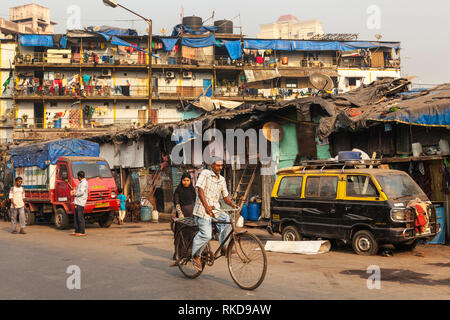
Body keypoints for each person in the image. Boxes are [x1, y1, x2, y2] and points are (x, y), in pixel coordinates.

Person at [191, 161, 238, 271]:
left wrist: (232, 204)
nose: (220, 167)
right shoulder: (205, 173)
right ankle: (195, 256)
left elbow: (225, 197)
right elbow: (200, 190)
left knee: (227, 220)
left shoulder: (221, 179)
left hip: (215, 210)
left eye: (221, 165)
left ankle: (224, 246)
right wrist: (206, 206)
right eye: (217, 165)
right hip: (202, 210)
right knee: (207, 235)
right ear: (212, 166)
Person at [171, 172, 196, 266]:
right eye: (184, 180)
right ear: (181, 181)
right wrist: (180, 214)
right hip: (182, 215)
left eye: (187, 180)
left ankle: (189, 254)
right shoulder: (178, 190)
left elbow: (195, 201)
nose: (186, 182)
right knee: (181, 234)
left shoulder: (192, 190)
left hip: (192, 214)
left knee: (191, 233)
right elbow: (177, 203)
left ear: (190, 181)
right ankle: (179, 254)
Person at [70, 171, 88, 237]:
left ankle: (82, 231)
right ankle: (77, 230)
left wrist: (75, 194)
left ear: (79, 177)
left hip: (80, 202)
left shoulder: (84, 183)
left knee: (80, 217)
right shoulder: (82, 182)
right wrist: (75, 190)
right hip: (78, 202)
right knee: (76, 217)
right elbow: (79, 190)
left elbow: (81, 192)